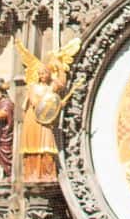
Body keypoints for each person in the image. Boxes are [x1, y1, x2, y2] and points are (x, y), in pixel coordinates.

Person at [16, 37, 82, 182]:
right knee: (33, 145)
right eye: (40, 74)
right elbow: (35, 103)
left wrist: (57, 67)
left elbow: (62, 84)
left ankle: (47, 173)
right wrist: (51, 104)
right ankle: (32, 173)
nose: (42, 75)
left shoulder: (50, 87)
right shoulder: (34, 87)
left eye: (45, 73)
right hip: (34, 118)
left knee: (47, 146)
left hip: (45, 120)